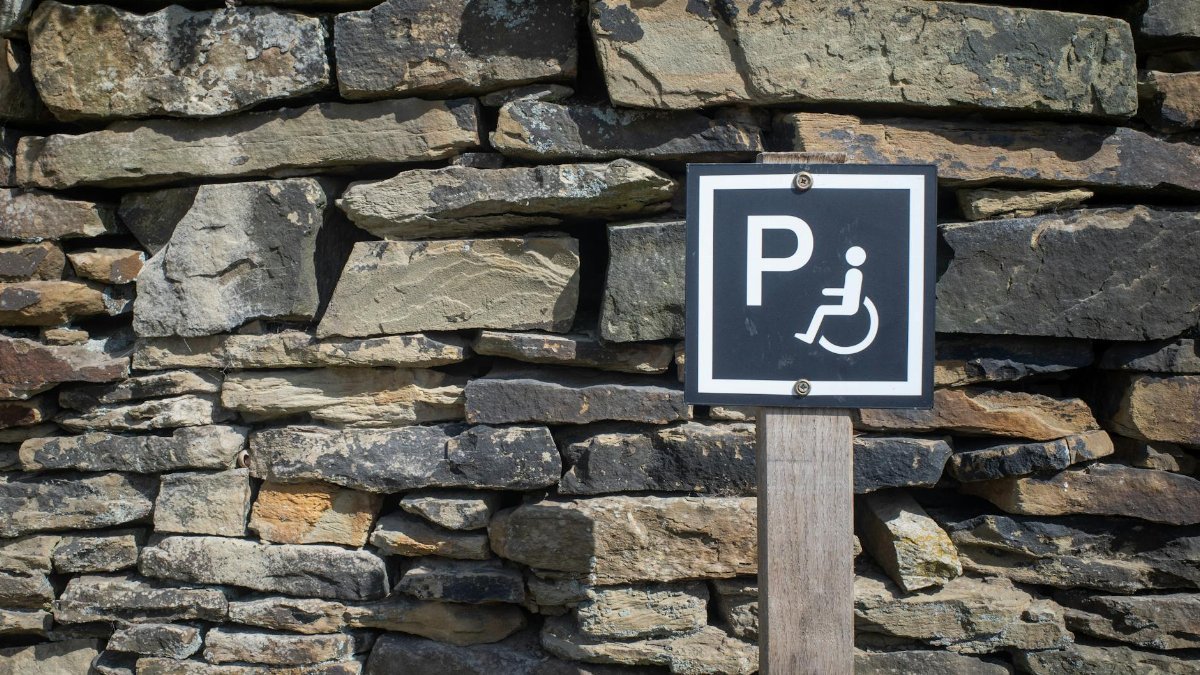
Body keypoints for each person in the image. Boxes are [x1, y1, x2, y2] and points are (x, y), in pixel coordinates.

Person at [796, 246, 866, 344]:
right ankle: (810, 336)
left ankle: (809, 336)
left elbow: (848, 292)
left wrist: (828, 291)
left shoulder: (853, 273)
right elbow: (846, 292)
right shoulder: (854, 272)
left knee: (822, 309)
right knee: (822, 308)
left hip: (849, 307)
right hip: (847, 304)